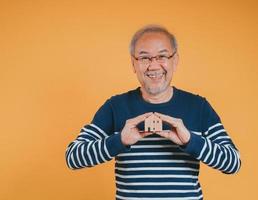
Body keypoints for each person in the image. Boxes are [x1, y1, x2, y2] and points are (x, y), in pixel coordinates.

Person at [65, 25, 241, 200]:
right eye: (144, 58)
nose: (153, 66)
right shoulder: (115, 106)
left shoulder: (198, 106)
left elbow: (233, 163)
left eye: (162, 56)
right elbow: (73, 158)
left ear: (175, 60)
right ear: (133, 64)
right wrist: (119, 141)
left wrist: (190, 141)